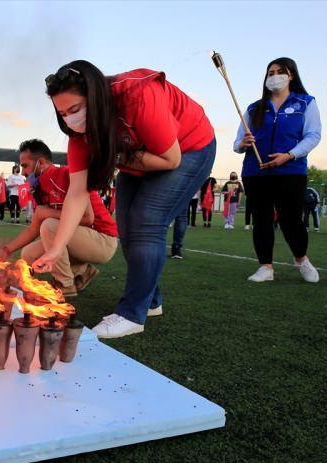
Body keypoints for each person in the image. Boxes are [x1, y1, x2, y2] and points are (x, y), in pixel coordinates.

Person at [32, 61, 216, 338]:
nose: (70, 118)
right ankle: (151, 300)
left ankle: (132, 314)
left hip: (188, 149)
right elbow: (77, 192)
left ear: (94, 97)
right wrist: (57, 248)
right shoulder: (79, 137)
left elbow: (170, 159)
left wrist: (115, 156)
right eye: (63, 113)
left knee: (147, 221)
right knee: (127, 229)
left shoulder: (136, 95)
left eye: (75, 109)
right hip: (136, 157)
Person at [234, 57, 321, 282]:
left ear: (291, 75)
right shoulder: (254, 108)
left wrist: (289, 155)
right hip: (255, 172)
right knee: (261, 219)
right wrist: (243, 143)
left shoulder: (305, 102)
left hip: (291, 171)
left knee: (291, 219)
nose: (274, 77)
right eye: (270, 73)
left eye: (279, 72)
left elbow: (313, 135)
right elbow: (236, 144)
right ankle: (266, 267)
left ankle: (301, 259)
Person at [0, 139, 118, 296]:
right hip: (78, 238)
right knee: (28, 254)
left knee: (49, 225)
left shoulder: (69, 174)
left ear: (40, 163)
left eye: (25, 166)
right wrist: (6, 250)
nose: (23, 172)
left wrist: (47, 213)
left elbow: (88, 218)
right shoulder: (39, 188)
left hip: (103, 240)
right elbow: (33, 230)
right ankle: (82, 271)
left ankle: (65, 286)